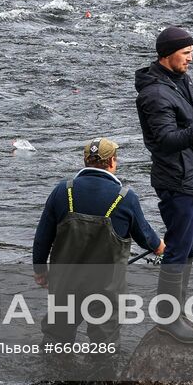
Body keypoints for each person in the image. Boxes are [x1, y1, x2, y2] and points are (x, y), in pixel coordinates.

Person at [135, 26, 193, 344]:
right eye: (186, 53)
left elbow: (188, 127)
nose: (191, 58)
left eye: (192, 52)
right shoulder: (154, 94)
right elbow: (163, 141)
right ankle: (167, 319)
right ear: (167, 54)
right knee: (178, 247)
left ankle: (178, 309)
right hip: (176, 181)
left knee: (192, 241)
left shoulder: (181, 79)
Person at [33, 138, 164, 347]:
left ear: (86, 160)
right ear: (112, 161)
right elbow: (145, 237)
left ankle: (52, 377)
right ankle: (99, 378)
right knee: (104, 344)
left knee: (56, 338)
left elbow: (42, 238)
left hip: (65, 284)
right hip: (106, 289)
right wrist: (160, 247)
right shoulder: (125, 197)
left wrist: (40, 270)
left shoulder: (62, 191)